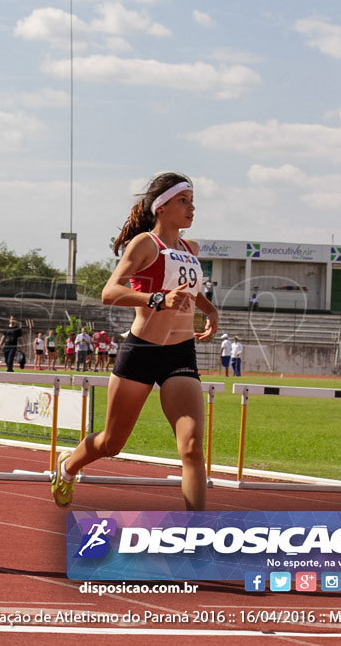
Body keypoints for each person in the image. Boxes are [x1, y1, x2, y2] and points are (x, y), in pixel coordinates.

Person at [51, 171, 218, 512]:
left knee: (192, 449)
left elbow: (189, 289)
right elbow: (109, 292)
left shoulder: (191, 248)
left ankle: (197, 537)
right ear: (161, 207)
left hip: (181, 354)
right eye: (183, 201)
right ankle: (68, 467)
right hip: (142, 351)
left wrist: (210, 310)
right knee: (112, 443)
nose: (192, 208)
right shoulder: (145, 244)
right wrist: (156, 299)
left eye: (192, 200)